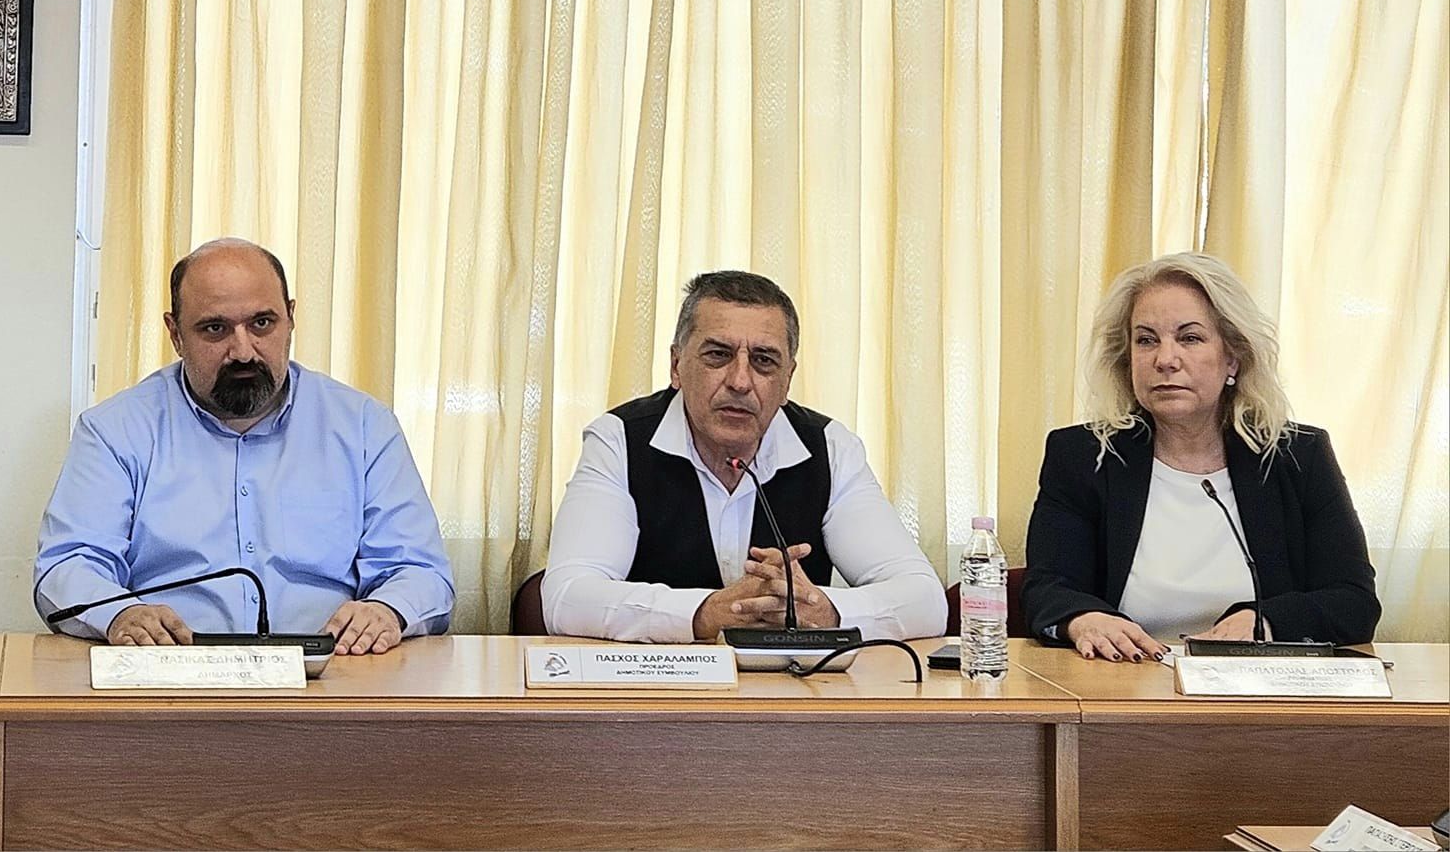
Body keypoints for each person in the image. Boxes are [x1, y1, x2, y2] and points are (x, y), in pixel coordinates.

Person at [34, 238, 454, 655]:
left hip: (334, 673)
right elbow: (67, 565)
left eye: (262, 324)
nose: (242, 351)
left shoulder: (363, 427)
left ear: (290, 319)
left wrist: (386, 610)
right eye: (215, 329)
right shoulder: (115, 430)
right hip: (170, 670)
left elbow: (420, 571)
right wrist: (119, 614)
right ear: (175, 334)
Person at [543, 270, 946, 643]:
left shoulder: (830, 448)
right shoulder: (619, 441)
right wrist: (705, 613)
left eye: (763, 361)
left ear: (787, 379)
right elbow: (567, 597)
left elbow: (925, 600)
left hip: (794, 689)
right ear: (677, 366)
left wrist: (825, 610)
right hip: (657, 688)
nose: (739, 381)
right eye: (718, 355)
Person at [1023, 252, 1379, 660]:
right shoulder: (1083, 457)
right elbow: (1047, 588)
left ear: (1233, 357)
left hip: (1253, 686)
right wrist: (1083, 618)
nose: (1165, 360)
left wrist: (1264, 621)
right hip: (1123, 681)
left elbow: (1354, 601)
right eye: (1146, 340)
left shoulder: (1297, 458)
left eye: (1190, 338)